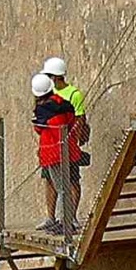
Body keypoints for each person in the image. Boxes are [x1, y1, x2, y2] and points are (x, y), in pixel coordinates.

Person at [32, 72, 80, 235]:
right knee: (66, 185)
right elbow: (73, 121)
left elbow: (39, 128)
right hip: (69, 150)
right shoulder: (64, 103)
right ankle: (67, 220)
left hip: (53, 153)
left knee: (61, 188)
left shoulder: (43, 110)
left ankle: (63, 223)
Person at [47, 55, 89, 213]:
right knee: (50, 180)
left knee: (72, 180)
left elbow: (79, 119)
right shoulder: (48, 93)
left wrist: (72, 142)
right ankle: (51, 218)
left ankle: (72, 217)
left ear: (56, 76)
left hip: (67, 145)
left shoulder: (73, 94)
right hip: (51, 145)